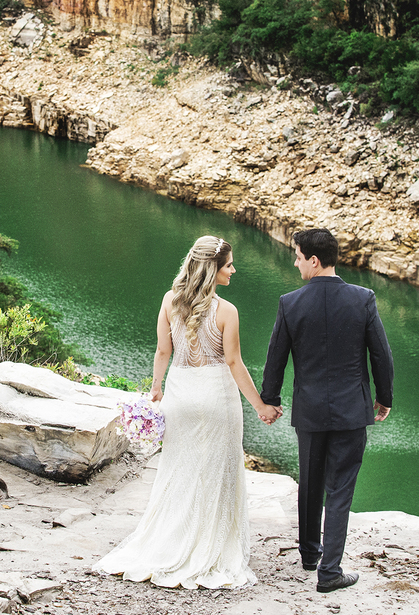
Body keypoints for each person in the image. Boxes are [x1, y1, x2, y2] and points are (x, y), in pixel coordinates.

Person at [94, 235, 281, 589]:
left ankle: (170, 538)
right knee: (218, 471)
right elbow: (233, 362)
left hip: (180, 394)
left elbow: (163, 350)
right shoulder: (227, 312)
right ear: (212, 269)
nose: (234, 270)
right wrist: (260, 406)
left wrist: (155, 388)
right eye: (229, 265)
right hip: (216, 399)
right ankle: (211, 546)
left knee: (178, 470)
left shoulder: (169, 301)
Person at [260, 228, 394, 594]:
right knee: (340, 489)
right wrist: (385, 398)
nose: (296, 262)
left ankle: (308, 555)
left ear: (314, 261)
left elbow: (276, 358)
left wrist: (269, 398)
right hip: (352, 410)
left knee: (311, 480)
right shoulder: (363, 299)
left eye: (299, 256)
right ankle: (329, 571)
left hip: (310, 410)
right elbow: (380, 354)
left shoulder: (290, 303)